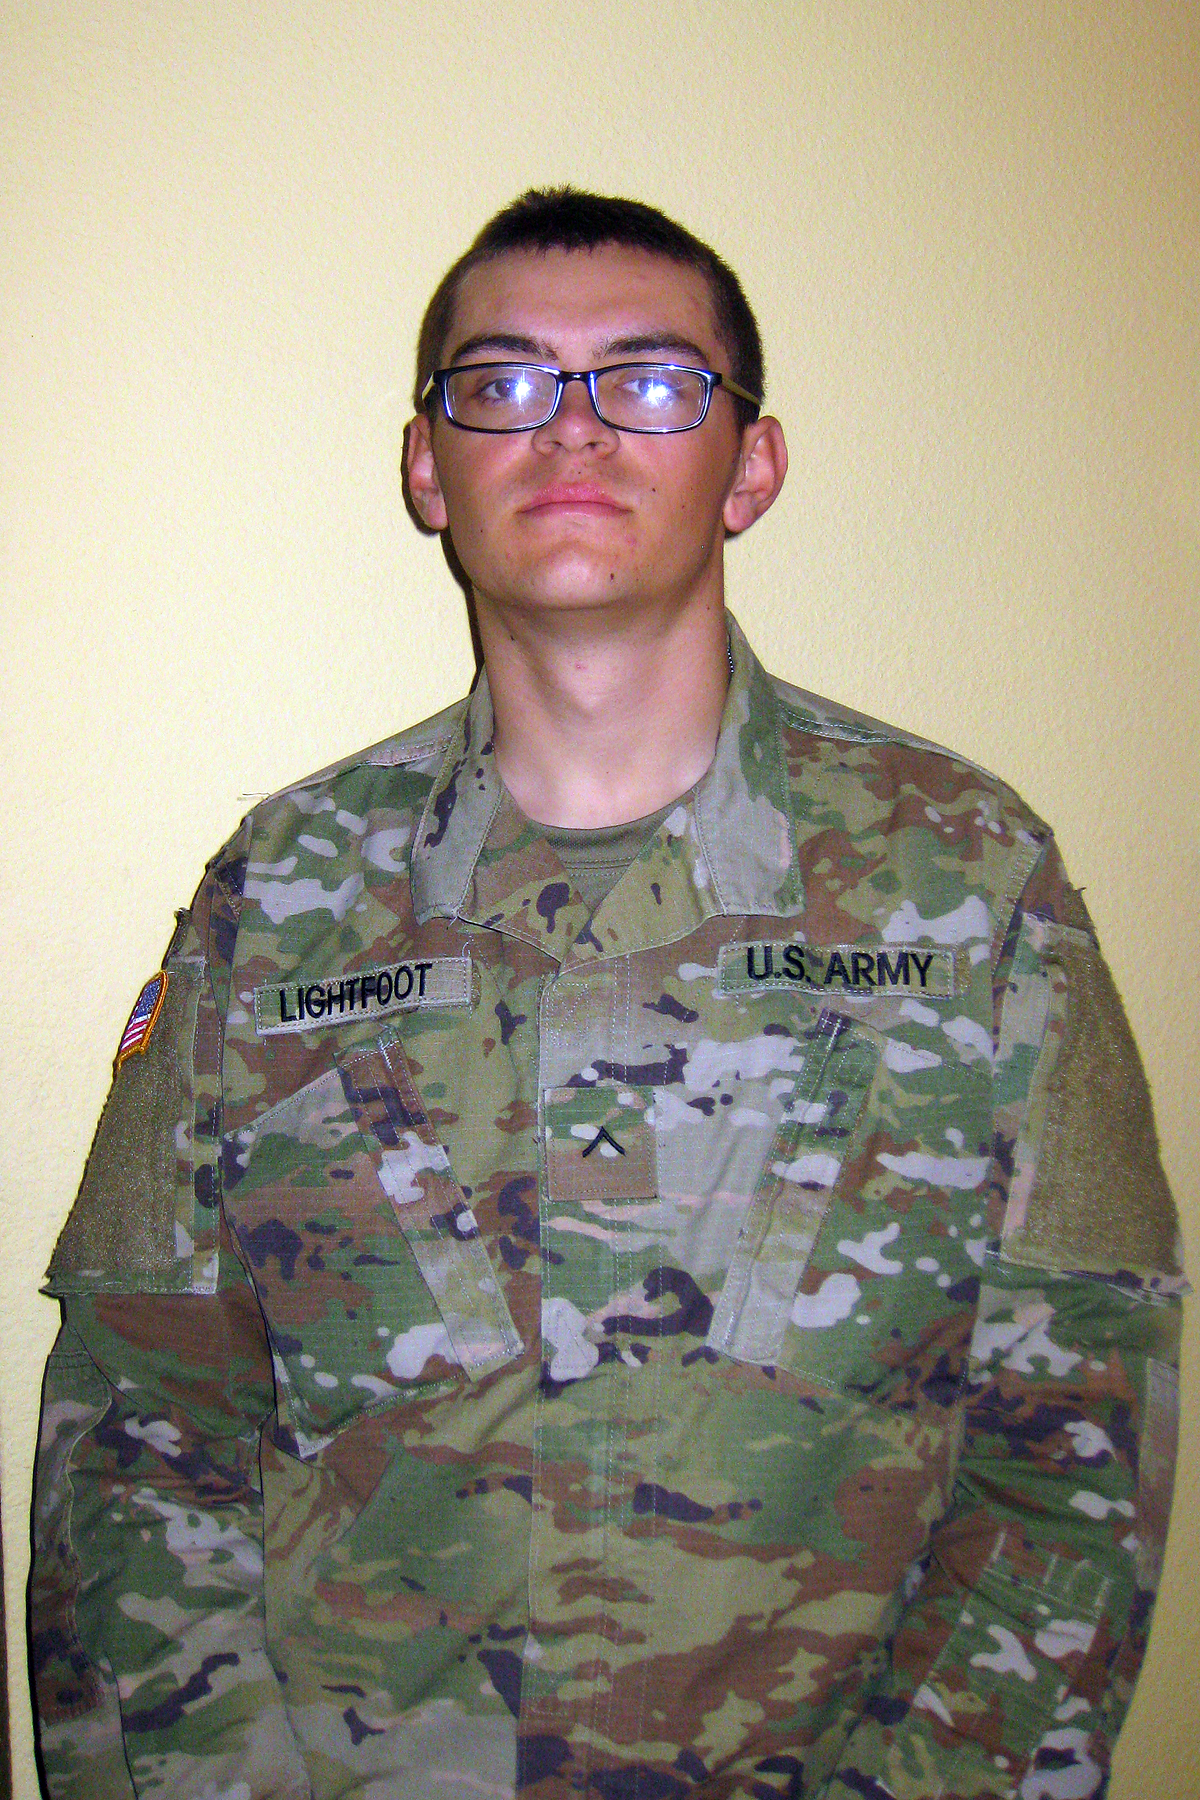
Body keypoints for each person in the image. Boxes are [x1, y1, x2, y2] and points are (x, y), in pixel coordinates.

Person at [30, 188, 1183, 1800]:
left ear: (752, 465)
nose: (572, 429)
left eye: (648, 381)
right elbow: (137, 1433)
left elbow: (1074, 1442)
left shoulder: (972, 884)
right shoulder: (275, 899)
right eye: (502, 382)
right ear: (427, 465)